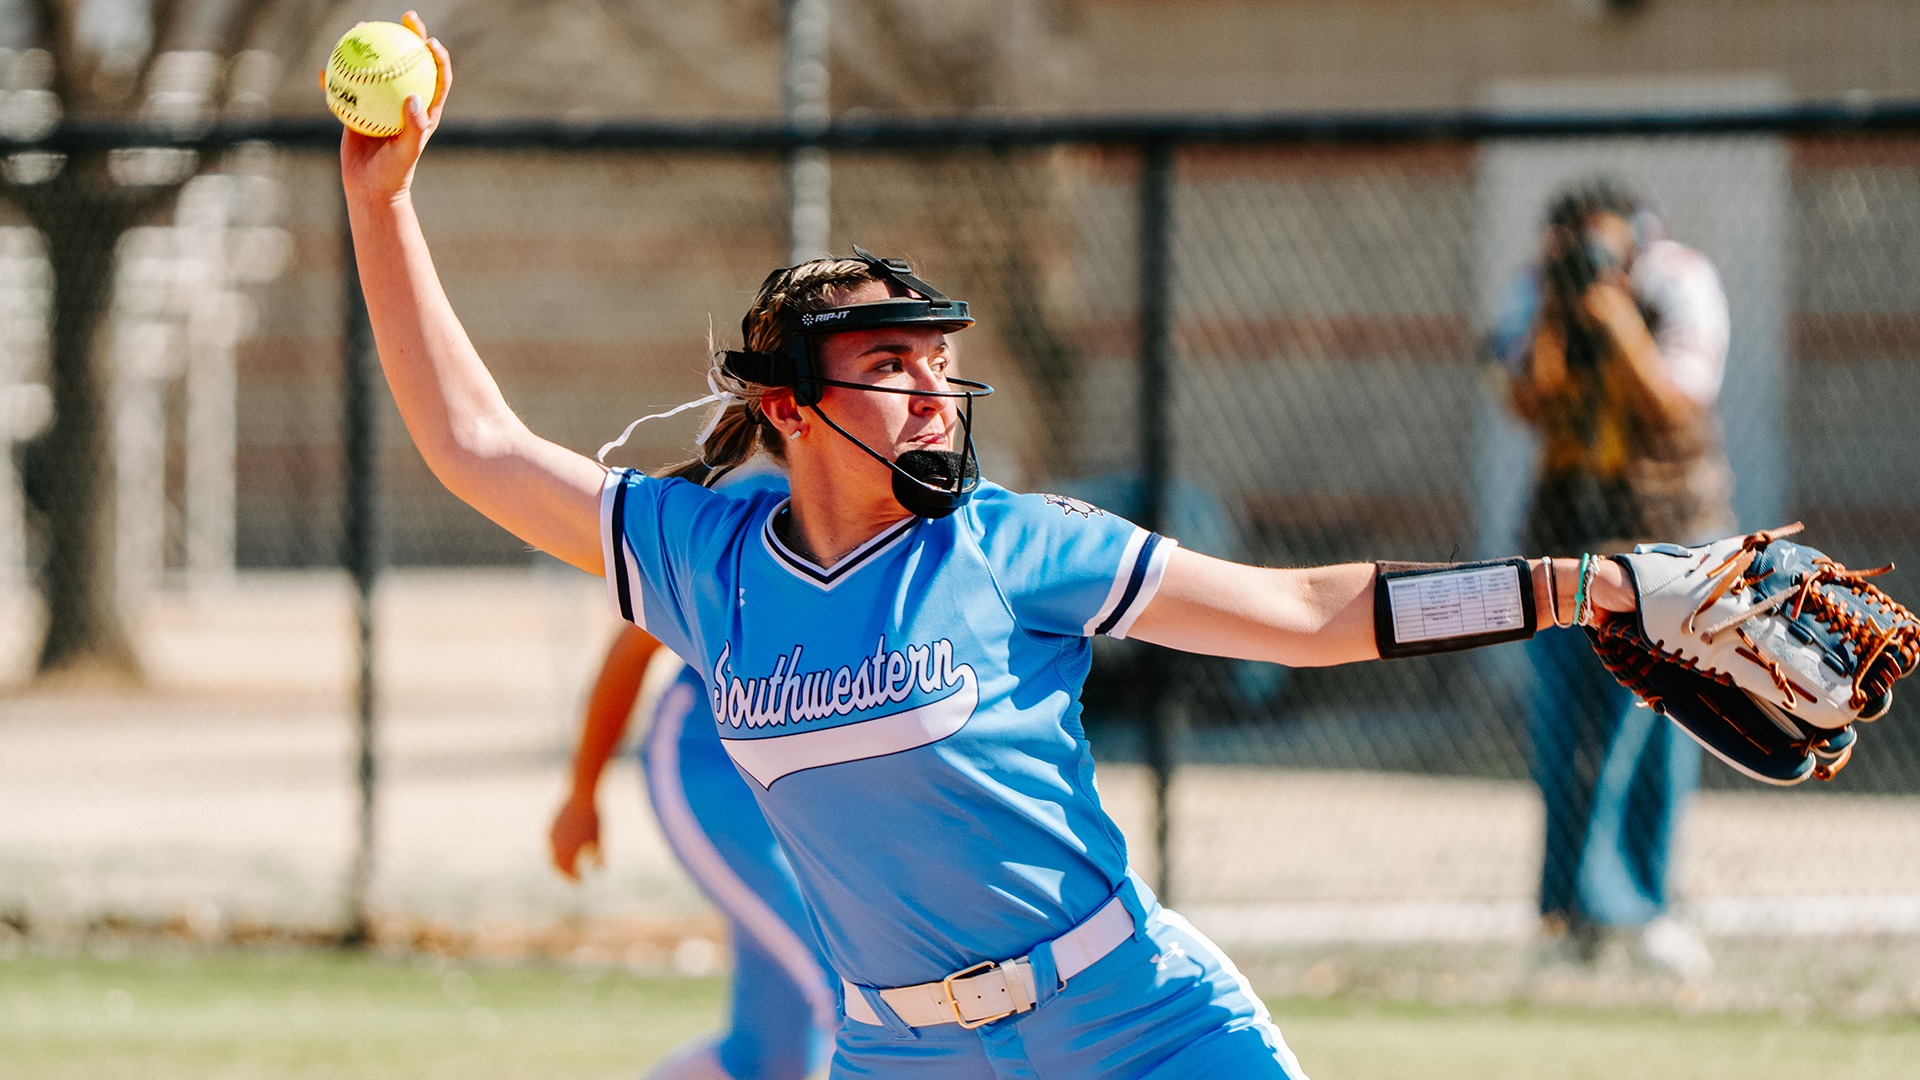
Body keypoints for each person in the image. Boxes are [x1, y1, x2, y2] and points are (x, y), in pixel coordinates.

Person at [343, 16, 1642, 1076]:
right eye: (889, 360)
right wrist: (381, 204)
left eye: (939, 359)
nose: (930, 387)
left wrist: (1587, 587)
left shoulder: (1012, 545)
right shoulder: (710, 561)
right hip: (899, 1055)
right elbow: (474, 445)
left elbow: (1306, 614)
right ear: (787, 403)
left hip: (1133, 1023)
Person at [1490, 177, 1736, 981]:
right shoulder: (1540, 294)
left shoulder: (1676, 283)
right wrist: (1561, 313)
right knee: (1562, 736)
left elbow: (1677, 403)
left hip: (1663, 546)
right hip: (1563, 547)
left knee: (1657, 723)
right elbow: (1527, 398)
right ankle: (1567, 916)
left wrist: (1616, 317)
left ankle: (1650, 906)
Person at [549, 460, 834, 1080]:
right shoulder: (756, 511)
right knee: (846, 984)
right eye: (887, 363)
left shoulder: (908, 517)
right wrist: (581, 795)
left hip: (796, 795)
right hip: (708, 770)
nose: (926, 397)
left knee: (771, 1056)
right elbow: (631, 648)